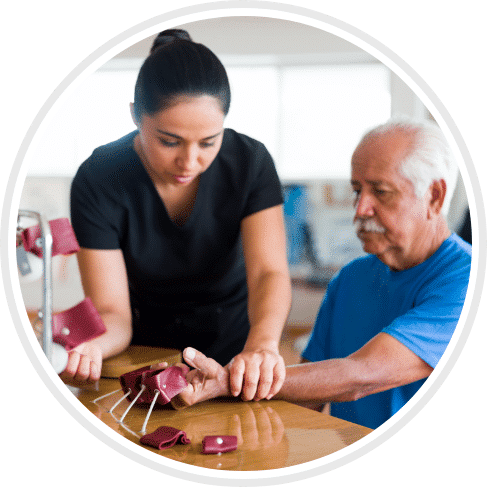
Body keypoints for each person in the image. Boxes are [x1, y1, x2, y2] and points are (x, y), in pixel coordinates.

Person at [167, 118, 472, 430]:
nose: (360, 208)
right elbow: (307, 397)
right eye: (357, 190)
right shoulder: (350, 279)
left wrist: (229, 380)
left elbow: (361, 376)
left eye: (381, 192)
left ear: (434, 197)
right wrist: (226, 395)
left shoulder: (468, 280)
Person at [64, 29, 291, 401]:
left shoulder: (250, 162)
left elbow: (269, 272)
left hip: (237, 349)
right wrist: (90, 346)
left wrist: (263, 345)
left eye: (208, 142)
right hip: (143, 354)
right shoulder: (99, 177)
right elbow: (112, 311)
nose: (189, 161)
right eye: (169, 141)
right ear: (136, 115)